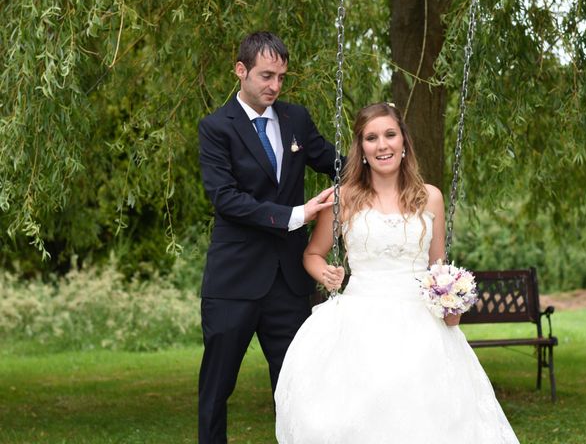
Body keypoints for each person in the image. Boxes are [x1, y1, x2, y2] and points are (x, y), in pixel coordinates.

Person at [274, 102, 520, 443]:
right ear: (361, 148)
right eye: (372, 138)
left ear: (404, 141)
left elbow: (438, 266)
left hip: (420, 324)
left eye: (390, 135)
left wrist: (450, 298)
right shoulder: (343, 198)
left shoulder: (429, 197)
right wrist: (325, 272)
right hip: (359, 321)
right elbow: (312, 254)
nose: (382, 145)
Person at [197, 31, 340, 444]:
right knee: (216, 389)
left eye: (280, 76)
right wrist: (295, 215)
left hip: (288, 285)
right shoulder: (215, 128)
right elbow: (225, 199)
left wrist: (384, 170)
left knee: (297, 388)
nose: (274, 86)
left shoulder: (297, 119)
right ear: (241, 71)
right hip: (234, 282)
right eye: (265, 75)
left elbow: (335, 164)